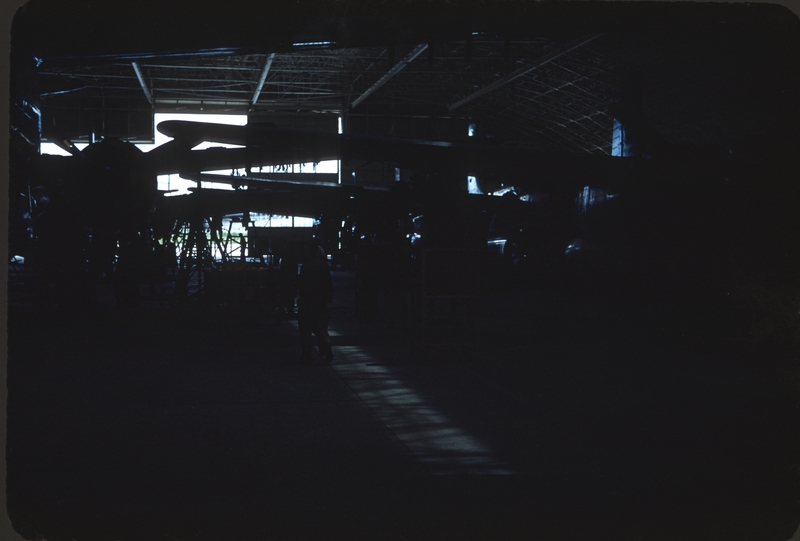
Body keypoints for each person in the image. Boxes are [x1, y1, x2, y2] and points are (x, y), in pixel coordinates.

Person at [297, 244, 334, 364]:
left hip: (307, 302)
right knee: (321, 328)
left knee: (305, 330)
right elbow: (328, 283)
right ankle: (326, 347)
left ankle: (307, 355)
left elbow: (302, 285)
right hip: (321, 302)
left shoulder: (306, 266)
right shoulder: (323, 265)